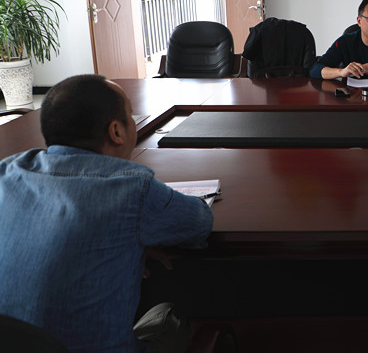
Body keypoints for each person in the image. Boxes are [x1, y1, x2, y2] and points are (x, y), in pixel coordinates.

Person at [0, 75, 214, 352]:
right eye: (130, 115)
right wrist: (140, 237)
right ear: (116, 132)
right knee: (169, 319)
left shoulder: (8, 172)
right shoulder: (132, 187)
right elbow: (199, 223)